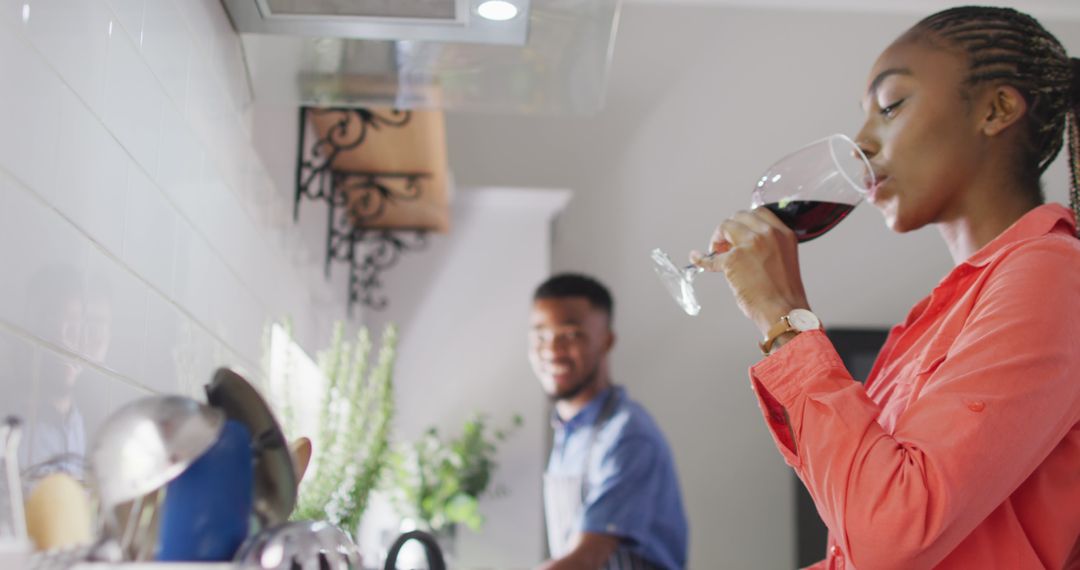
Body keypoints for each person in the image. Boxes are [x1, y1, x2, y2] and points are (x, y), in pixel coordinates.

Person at [693, 6, 1080, 569]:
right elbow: (857, 533)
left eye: (891, 105)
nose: (861, 144)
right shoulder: (941, 316)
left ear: (997, 109)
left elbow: (891, 532)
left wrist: (783, 317)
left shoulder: (1052, 275)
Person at [528, 273, 688, 570]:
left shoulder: (628, 436)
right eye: (540, 336)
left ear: (606, 340)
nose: (551, 350)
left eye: (570, 335)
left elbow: (585, 559)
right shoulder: (568, 431)